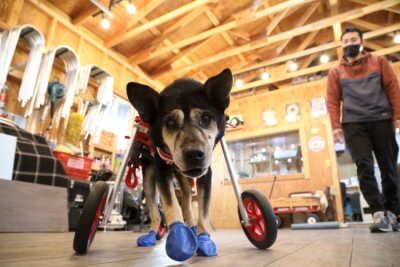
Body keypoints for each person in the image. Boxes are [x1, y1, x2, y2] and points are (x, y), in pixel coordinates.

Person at [327, 26, 400, 232]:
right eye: (346, 41)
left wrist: (397, 116)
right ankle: (378, 213)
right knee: (364, 166)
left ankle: (393, 213)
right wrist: (335, 127)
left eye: (353, 40)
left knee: (388, 167)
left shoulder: (379, 62)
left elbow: (393, 87)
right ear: (342, 45)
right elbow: (332, 101)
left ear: (361, 42)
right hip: (353, 124)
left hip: (382, 120)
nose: (349, 43)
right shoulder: (336, 71)